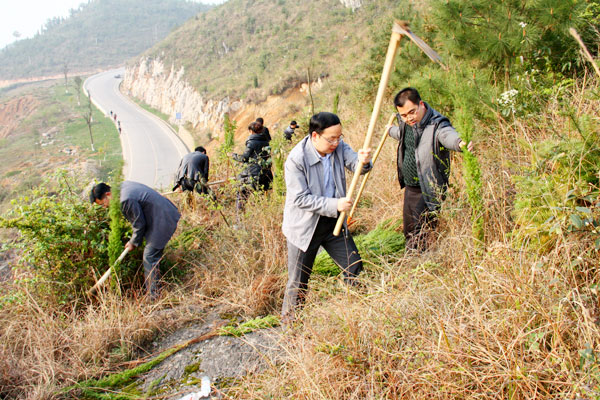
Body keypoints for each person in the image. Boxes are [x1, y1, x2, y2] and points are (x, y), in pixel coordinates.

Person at [281, 112, 372, 322]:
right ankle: (291, 329)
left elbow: (357, 166)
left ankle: (359, 317)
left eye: (339, 137)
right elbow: (301, 199)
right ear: (315, 136)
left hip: (334, 222)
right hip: (305, 228)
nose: (336, 142)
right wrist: (335, 204)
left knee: (354, 267)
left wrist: (363, 161)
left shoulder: (338, 146)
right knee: (298, 283)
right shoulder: (296, 160)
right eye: (331, 138)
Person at [388, 87, 473, 251]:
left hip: (427, 186)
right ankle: (416, 257)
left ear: (421, 104)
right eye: (404, 115)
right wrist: (390, 130)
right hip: (410, 186)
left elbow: (447, 135)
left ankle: (420, 263)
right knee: (409, 228)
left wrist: (460, 143)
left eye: (412, 112)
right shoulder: (407, 123)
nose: (409, 118)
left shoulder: (436, 124)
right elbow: (403, 134)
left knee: (419, 230)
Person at [90, 181, 181, 299]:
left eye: (103, 204)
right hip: (162, 212)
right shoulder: (122, 186)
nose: (105, 207)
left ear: (108, 194)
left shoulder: (124, 200)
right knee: (150, 253)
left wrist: (133, 242)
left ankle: (154, 296)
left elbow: (139, 224)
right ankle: (153, 290)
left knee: (149, 256)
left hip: (162, 218)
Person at [233, 121, 272, 210]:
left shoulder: (252, 142)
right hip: (265, 174)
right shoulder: (266, 142)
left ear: (251, 131)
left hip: (252, 174)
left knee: (242, 196)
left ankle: (240, 219)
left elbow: (244, 158)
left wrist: (233, 155)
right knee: (261, 199)